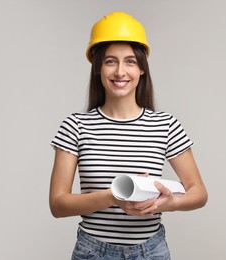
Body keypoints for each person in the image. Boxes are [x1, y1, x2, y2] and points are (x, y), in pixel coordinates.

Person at [49, 11, 208, 260]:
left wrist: (169, 203)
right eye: (111, 61)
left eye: (130, 61)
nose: (120, 71)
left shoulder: (165, 124)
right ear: (97, 68)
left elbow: (198, 192)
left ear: (142, 69)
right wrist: (114, 197)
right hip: (93, 252)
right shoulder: (75, 126)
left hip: (151, 251)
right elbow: (57, 204)